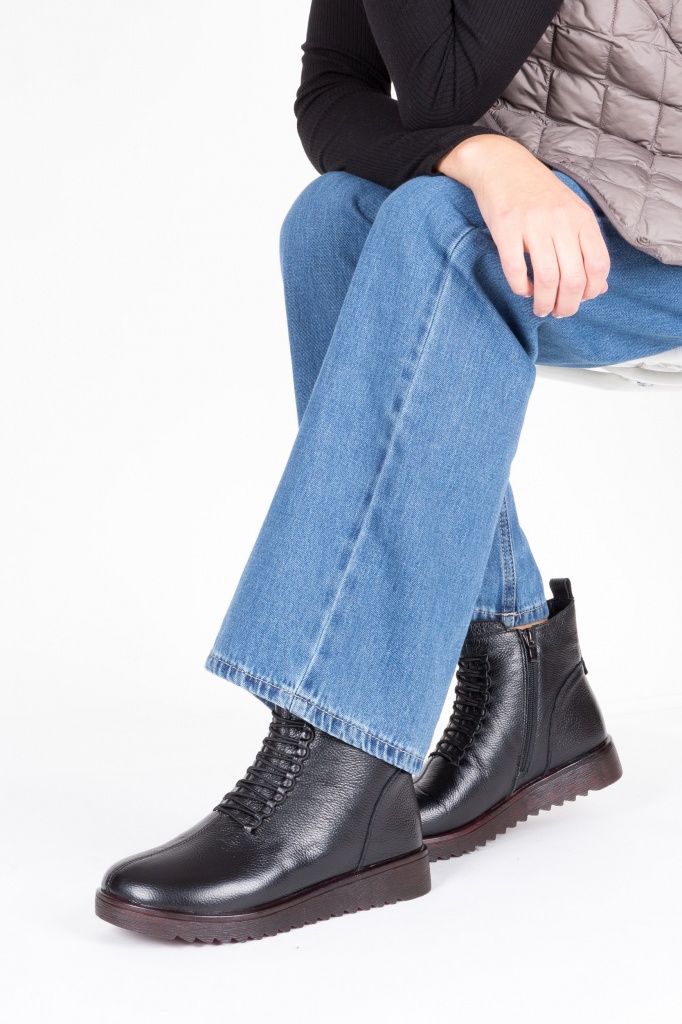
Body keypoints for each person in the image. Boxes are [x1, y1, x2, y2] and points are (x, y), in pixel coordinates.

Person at [95, 1, 682, 942]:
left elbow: (440, 90)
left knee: (439, 227)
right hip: (557, 222)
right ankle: (523, 684)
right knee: (337, 218)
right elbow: (335, 96)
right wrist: (488, 160)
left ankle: (339, 750)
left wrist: (477, 169)